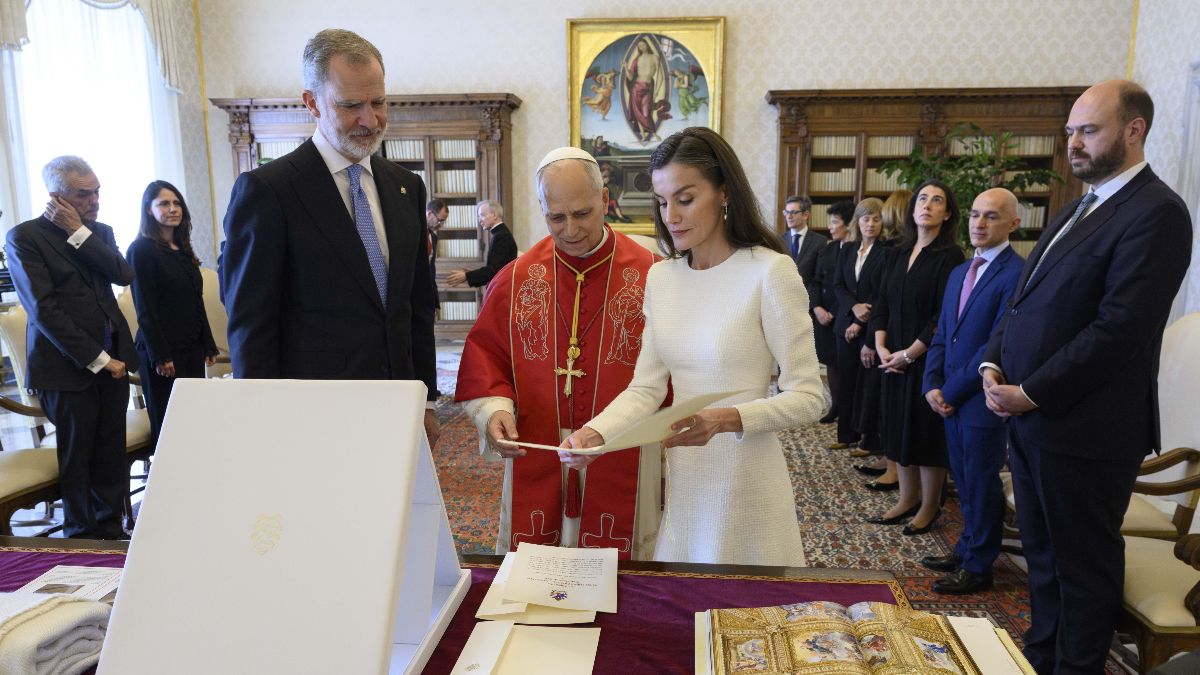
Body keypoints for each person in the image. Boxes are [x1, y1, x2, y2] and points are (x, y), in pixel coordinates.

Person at [981, 80, 1191, 673]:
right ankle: (1041, 658)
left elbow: (1119, 330)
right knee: (1043, 561)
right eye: (1070, 131)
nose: (1073, 142)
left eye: (1089, 131)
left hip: (1087, 429)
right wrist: (993, 362)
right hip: (1032, 420)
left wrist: (1031, 392)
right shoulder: (1082, 205)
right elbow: (1022, 302)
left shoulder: (1158, 212)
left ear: (1134, 130)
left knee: (1081, 570)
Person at [560, 127, 825, 566]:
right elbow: (646, 388)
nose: (671, 216)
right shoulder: (662, 278)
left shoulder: (769, 272)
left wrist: (726, 418)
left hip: (747, 479)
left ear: (724, 192)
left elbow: (810, 396)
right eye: (662, 202)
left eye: (685, 199)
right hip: (687, 479)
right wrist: (596, 434)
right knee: (685, 597)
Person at [220, 29, 439, 442]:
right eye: (351, 105)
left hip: (398, 408)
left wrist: (425, 400)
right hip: (311, 419)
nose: (370, 120)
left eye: (378, 102)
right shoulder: (269, 192)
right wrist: (259, 421)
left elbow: (417, 307)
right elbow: (252, 326)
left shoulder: (406, 186)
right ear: (312, 102)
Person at [455, 146, 660, 560]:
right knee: (536, 567)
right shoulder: (515, 279)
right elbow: (486, 358)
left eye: (582, 213)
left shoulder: (652, 273)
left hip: (625, 451)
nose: (571, 230)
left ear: (605, 200)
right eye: (556, 217)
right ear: (542, 210)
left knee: (624, 575)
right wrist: (494, 411)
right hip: (538, 448)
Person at [5, 156, 138, 539]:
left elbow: (123, 274)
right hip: (65, 367)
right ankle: (81, 536)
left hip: (114, 358)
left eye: (97, 192)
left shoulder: (98, 231)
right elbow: (44, 310)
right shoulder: (24, 238)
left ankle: (111, 530)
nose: (94, 200)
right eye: (84, 194)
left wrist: (78, 231)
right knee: (79, 456)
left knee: (110, 450)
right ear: (56, 198)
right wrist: (100, 360)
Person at [920, 188, 1024, 594]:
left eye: (991, 216)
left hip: (982, 399)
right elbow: (942, 333)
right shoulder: (960, 271)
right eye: (975, 214)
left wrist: (951, 390)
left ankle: (979, 566)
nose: (979, 223)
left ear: (1013, 223)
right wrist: (931, 384)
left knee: (981, 482)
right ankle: (966, 548)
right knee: (962, 479)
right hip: (949, 397)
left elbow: (995, 343)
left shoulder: (1018, 274)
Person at [866, 181, 964, 535]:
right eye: (923, 198)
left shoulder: (950, 256)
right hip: (891, 356)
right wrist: (880, 346)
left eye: (937, 201)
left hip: (926, 358)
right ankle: (907, 499)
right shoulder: (896, 251)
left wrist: (909, 354)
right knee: (896, 426)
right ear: (913, 208)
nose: (927, 205)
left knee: (924, 433)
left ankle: (929, 505)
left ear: (947, 213)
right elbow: (882, 303)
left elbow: (942, 316)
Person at [126, 181, 219, 452]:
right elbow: (145, 308)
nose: (172, 209)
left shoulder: (183, 249)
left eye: (177, 203)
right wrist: (161, 355)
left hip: (191, 346)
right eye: (164, 204)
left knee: (192, 419)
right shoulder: (141, 250)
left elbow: (195, 301)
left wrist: (208, 343)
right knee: (169, 424)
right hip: (162, 352)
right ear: (149, 209)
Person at [831, 199, 891, 469]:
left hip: (871, 328)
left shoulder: (887, 252)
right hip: (844, 325)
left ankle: (869, 440)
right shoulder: (847, 249)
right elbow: (838, 285)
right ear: (858, 222)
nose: (871, 224)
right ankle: (846, 435)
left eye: (876, 219)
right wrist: (853, 308)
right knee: (846, 381)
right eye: (866, 219)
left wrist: (860, 320)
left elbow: (882, 292)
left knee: (868, 385)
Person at [811, 201, 855, 425]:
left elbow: (849, 288)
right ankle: (835, 405)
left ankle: (846, 408)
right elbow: (816, 281)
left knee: (844, 365)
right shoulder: (828, 249)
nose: (830, 227)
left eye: (835, 222)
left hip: (844, 317)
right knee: (831, 363)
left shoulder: (856, 250)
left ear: (849, 224)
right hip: (823, 317)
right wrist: (817, 307)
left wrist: (833, 312)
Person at [447, 200, 517, 289]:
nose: (480, 220)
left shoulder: (501, 236)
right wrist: (472, 274)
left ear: (494, 215)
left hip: (501, 290)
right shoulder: (500, 233)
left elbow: (494, 271)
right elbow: (495, 270)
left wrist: (467, 276)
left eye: (482, 215)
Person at [783, 196, 828, 310]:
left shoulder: (820, 241)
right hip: (784, 301)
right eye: (786, 212)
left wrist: (813, 304)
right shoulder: (779, 241)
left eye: (793, 212)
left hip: (809, 304)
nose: (789, 216)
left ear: (806, 215)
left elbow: (818, 277)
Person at [425, 199, 447, 310]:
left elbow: (431, 271)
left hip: (426, 294)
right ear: (429, 214)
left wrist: (435, 302)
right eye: (440, 220)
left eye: (443, 221)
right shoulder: (413, 232)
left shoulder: (433, 237)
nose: (441, 225)